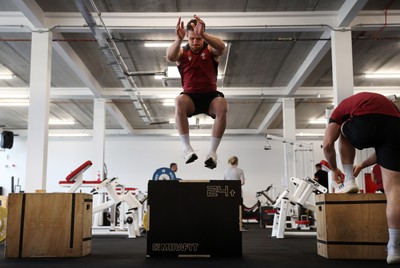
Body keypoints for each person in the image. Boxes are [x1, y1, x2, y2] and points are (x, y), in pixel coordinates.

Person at [322, 91, 400, 264]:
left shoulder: (337, 114)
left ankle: (349, 180)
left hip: (365, 121)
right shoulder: (389, 107)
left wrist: (334, 170)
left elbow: (327, 144)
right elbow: (382, 151)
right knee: (394, 190)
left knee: (342, 129)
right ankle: (394, 248)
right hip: (396, 126)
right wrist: (362, 165)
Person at [166, 15, 227, 169]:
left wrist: (204, 35)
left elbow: (221, 47)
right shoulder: (182, 52)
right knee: (179, 101)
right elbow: (169, 56)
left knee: (222, 105)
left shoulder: (210, 49)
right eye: (192, 38)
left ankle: (212, 153)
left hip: (210, 98)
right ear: (187, 36)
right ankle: (187, 148)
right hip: (190, 99)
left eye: (198, 38)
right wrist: (178, 40)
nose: (195, 42)